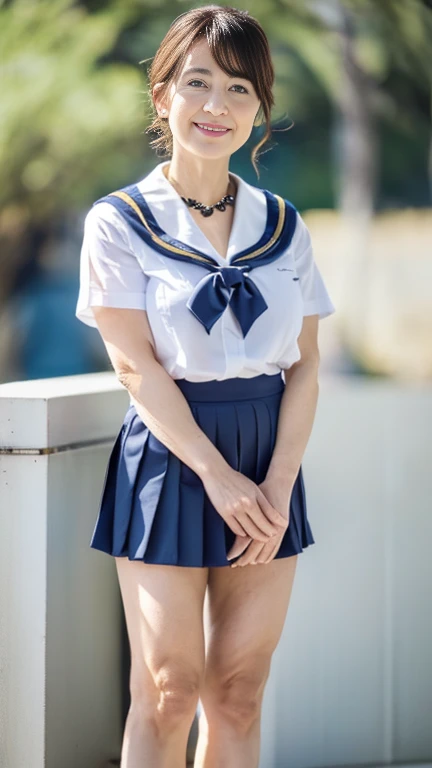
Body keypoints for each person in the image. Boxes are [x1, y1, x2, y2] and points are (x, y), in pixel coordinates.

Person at [75, 6, 336, 767]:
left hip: (268, 458)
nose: (216, 106)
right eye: (197, 83)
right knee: (166, 687)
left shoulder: (284, 224)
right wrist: (218, 478)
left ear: (260, 111)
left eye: (239, 89)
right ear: (162, 96)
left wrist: (277, 482)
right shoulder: (119, 221)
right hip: (169, 457)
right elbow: (133, 363)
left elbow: (307, 361)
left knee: (239, 689)